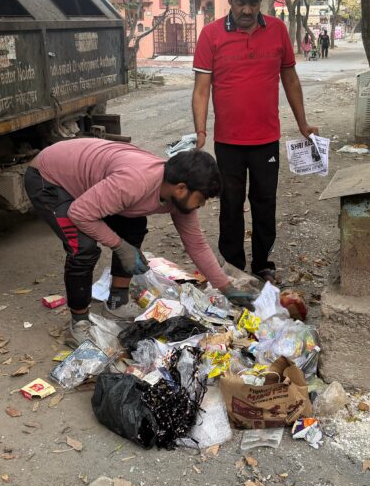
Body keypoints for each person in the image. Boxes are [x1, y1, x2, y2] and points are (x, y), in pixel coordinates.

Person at [24, 139, 251, 346]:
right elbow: (80, 213)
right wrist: (120, 246)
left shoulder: (178, 194)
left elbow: (196, 244)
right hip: (49, 177)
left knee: (134, 224)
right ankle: (79, 323)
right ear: (181, 188)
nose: (200, 206)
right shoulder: (135, 182)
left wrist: (227, 288)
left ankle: (117, 301)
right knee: (83, 248)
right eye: (200, 199)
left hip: (87, 183)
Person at [191, 0, 318, 283]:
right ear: (231, 0)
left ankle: (262, 263)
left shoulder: (277, 31)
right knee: (231, 204)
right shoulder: (211, 35)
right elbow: (201, 88)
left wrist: (303, 124)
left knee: (265, 202)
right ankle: (233, 265)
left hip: (266, 140)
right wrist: (201, 131)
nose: (247, 10)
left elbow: (290, 78)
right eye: (240, 3)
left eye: (253, 3)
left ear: (261, 0)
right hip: (228, 141)